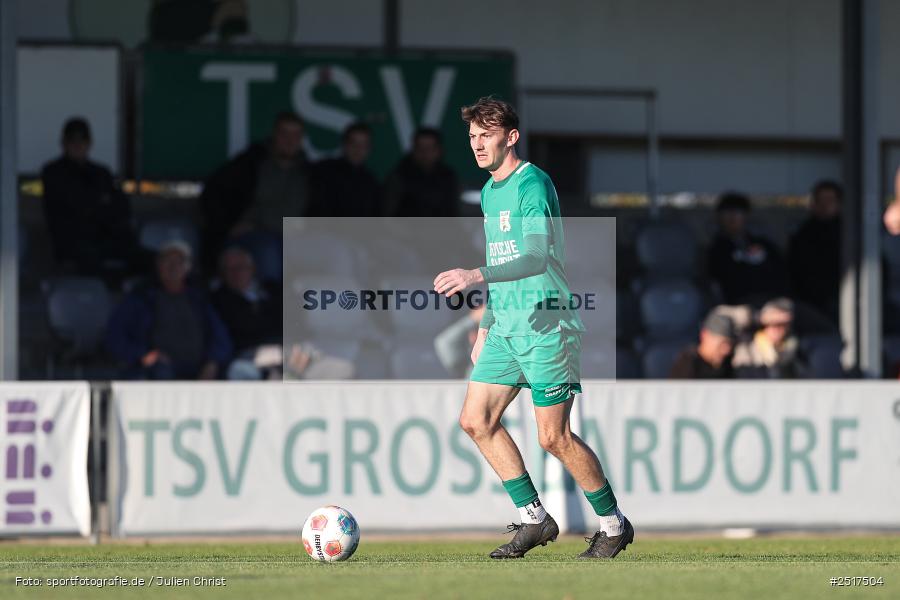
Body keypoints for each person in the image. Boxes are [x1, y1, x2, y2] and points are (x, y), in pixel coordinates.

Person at [432, 97, 632, 560]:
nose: (477, 145)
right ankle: (535, 519)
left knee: (553, 437)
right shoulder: (489, 191)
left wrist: (473, 275)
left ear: (511, 137)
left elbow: (537, 257)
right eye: (472, 137)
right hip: (507, 327)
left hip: (546, 323)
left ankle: (614, 525)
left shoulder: (532, 184)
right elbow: (502, 261)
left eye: (486, 135)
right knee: (475, 420)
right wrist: (487, 324)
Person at [200, 111, 310, 275]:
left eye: (295, 135)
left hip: (292, 236)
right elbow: (212, 196)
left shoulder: (308, 173)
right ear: (274, 135)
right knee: (269, 250)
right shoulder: (249, 164)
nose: (289, 140)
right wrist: (226, 226)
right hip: (251, 236)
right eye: (284, 133)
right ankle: (271, 292)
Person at [106, 241, 232, 380]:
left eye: (179, 262)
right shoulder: (141, 297)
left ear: (188, 268)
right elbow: (114, 335)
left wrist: (213, 361)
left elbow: (220, 336)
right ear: (158, 265)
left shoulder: (199, 299)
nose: (173, 267)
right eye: (167, 261)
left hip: (197, 367)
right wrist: (142, 355)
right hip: (157, 369)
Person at [41, 117, 144, 280]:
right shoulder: (53, 172)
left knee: (137, 252)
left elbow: (121, 206)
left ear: (89, 143)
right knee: (87, 255)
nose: (77, 145)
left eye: (82, 140)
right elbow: (70, 210)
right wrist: (99, 204)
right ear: (64, 143)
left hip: (106, 238)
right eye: (72, 141)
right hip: (73, 243)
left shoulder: (101, 172)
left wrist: (98, 207)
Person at [707, 192, 789, 305]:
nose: (732, 218)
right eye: (727, 213)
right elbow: (718, 283)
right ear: (719, 217)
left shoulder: (763, 244)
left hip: (773, 301)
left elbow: (781, 272)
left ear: (746, 216)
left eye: (737, 212)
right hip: (738, 305)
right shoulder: (716, 250)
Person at [789, 181, 842, 323]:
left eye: (830, 200)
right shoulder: (803, 235)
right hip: (814, 301)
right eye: (820, 200)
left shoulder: (851, 232)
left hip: (849, 295)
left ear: (839, 203)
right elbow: (796, 272)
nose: (825, 205)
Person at [308, 122, 382, 217]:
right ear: (344, 144)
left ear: (369, 149)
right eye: (353, 143)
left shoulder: (372, 183)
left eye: (363, 145)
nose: (358, 149)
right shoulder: (324, 171)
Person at [385, 127, 460, 217]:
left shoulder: (448, 176)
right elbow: (388, 215)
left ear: (439, 150)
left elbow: (452, 213)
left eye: (429, 148)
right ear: (414, 149)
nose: (425, 153)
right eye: (420, 148)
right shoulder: (399, 176)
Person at [732, 298, 807, 379]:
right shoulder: (746, 346)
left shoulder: (792, 351)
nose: (777, 328)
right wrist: (758, 317)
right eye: (772, 323)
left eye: (783, 324)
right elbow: (725, 316)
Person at [669, 312, 736, 379]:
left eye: (730, 344)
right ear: (704, 335)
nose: (727, 350)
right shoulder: (687, 366)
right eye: (722, 343)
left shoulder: (727, 364)